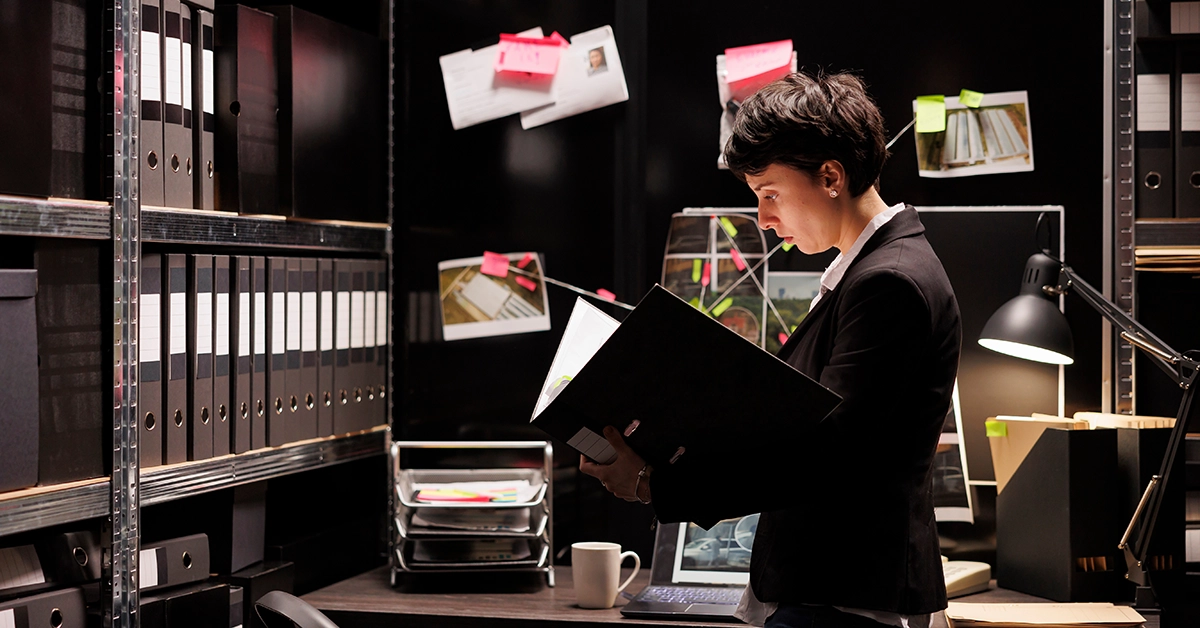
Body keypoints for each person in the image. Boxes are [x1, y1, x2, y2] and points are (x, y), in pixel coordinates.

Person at [579, 70, 961, 628]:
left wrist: (653, 485)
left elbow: (823, 455)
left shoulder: (890, 283)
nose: (763, 218)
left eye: (769, 193)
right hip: (826, 593)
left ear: (831, 176)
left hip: (844, 600)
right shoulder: (869, 272)